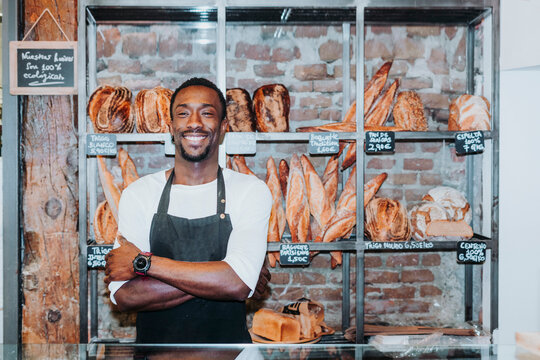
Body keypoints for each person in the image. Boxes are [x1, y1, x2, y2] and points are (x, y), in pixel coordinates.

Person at [104, 77, 272, 344]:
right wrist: (222, 277)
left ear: (224, 127)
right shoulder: (139, 193)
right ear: (171, 127)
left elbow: (238, 283)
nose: (194, 122)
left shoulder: (250, 190)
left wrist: (144, 264)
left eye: (207, 113)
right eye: (183, 113)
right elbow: (126, 295)